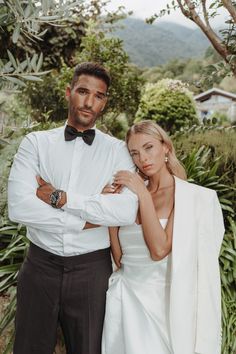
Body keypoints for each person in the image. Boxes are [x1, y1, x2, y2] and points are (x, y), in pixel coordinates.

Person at [8, 62, 138, 354]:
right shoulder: (36, 144)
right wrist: (87, 218)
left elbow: (125, 211)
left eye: (99, 96)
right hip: (39, 267)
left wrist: (63, 199)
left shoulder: (118, 151)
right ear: (69, 92)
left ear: (104, 103)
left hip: (92, 272)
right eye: (82, 91)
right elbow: (19, 206)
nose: (89, 102)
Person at [101, 120, 225, 354]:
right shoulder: (130, 197)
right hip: (125, 302)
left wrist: (141, 192)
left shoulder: (189, 197)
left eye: (149, 148)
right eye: (134, 153)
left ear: (165, 147)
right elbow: (119, 260)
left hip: (164, 308)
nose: (142, 159)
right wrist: (109, 210)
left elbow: (159, 250)